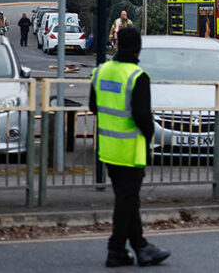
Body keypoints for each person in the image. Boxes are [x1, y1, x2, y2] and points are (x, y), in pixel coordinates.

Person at [88, 27, 170, 268]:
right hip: (131, 150)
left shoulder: (101, 71)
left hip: (108, 148)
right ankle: (115, 250)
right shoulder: (137, 76)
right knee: (127, 201)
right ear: (138, 49)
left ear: (116, 44)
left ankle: (141, 247)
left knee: (128, 200)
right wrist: (149, 137)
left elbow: (94, 106)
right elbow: (143, 115)